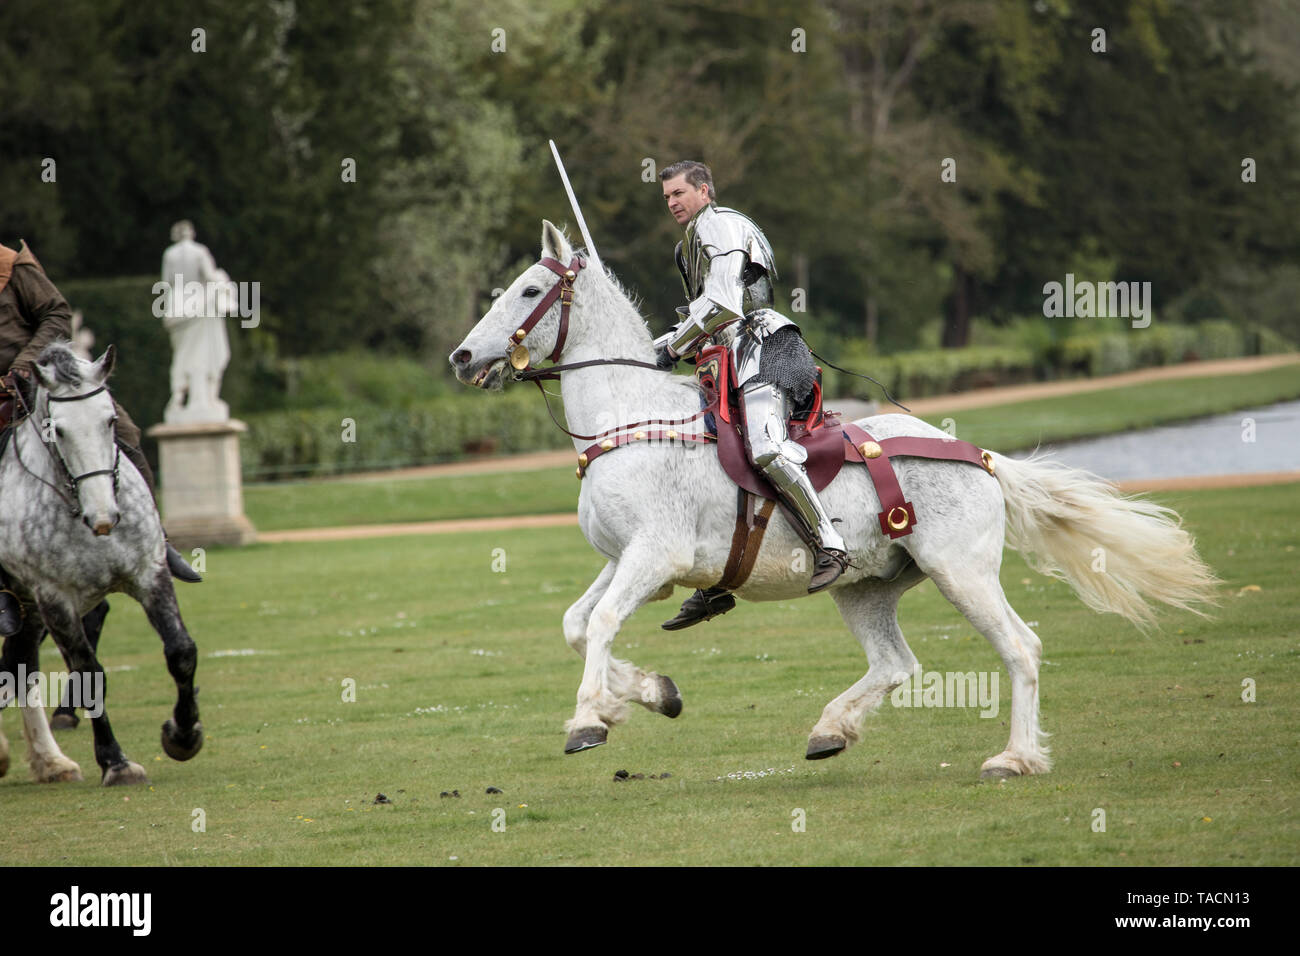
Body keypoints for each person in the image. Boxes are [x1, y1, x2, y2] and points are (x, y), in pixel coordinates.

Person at [654, 161, 848, 631]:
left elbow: (723, 303)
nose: (672, 202)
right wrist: (658, 346)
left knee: (765, 448)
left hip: (761, 347)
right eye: (666, 198)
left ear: (704, 190)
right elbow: (702, 311)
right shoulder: (690, 242)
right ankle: (719, 582)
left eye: (679, 192)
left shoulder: (720, 224)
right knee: (705, 455)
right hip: (721, 358)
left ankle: (830, 543)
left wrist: (672, 347)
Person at [0, 239, 200, 637]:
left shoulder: (10, 264)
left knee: (123, 431)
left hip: (41, 381)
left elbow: (56, 314)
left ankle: (158, 542)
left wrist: (23, 368)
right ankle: (3, 589)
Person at [160, 220, 231, 422]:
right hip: (198, 302)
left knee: (183, 354)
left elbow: (166, 283)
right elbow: (209, 276)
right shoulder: (200, 251)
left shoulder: (170, 254)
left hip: (177, 304)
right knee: (200, 354)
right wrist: (222, 280)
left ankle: (179, 397)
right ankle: (202, 398)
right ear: (191, 233)